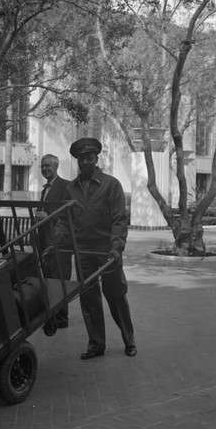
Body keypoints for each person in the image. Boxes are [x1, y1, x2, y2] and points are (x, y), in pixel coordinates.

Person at [49, 137, 137, 359]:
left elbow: (119, 219)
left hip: (107, 251)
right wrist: (55, 244)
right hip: (84, 253)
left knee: (116, 295)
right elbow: (64, 222)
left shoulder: (111, 184)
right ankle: (96, 344)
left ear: (97, 158)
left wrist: (117, 248)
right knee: (89, 298)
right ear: (78, 161)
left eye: (89, 158)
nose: (86, 162)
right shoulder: (70, 189)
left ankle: (129, 340)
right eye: (81, 159)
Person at [36, 154, 72, 328]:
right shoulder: (45, 189)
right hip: (44, 240)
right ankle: (52, 314)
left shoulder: (65, 186)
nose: (44, 169)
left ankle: (61, 318)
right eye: (42, 166)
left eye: (48, 166)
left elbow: (68, 211)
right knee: (49, 279)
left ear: (56, 166)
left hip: (59, 240)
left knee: (59, 279)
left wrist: (48, 215)